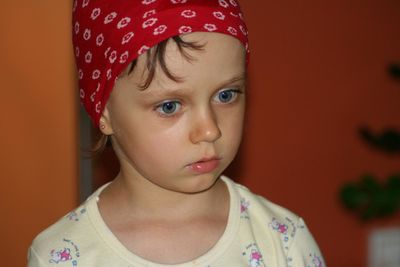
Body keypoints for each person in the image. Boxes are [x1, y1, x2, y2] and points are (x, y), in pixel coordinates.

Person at [28, 0, 326, 266]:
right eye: (170, 106)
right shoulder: (61, 255)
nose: (210, 129)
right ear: (104, 112)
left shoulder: (283, 239)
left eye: (226, 95)